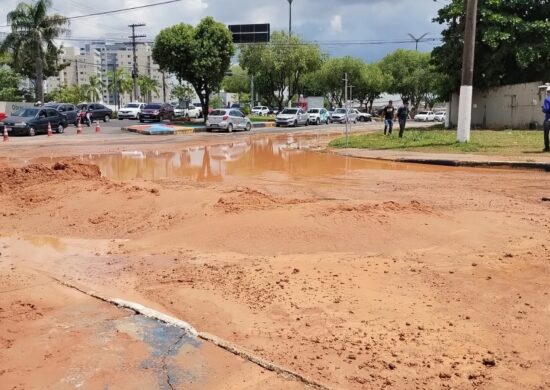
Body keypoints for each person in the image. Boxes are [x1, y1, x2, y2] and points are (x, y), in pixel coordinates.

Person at [542, 87, 550, 152]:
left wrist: (543, 108)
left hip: (548, 120)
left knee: (546, 134)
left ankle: (547, 147)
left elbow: (546, 109)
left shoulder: (547, 99)